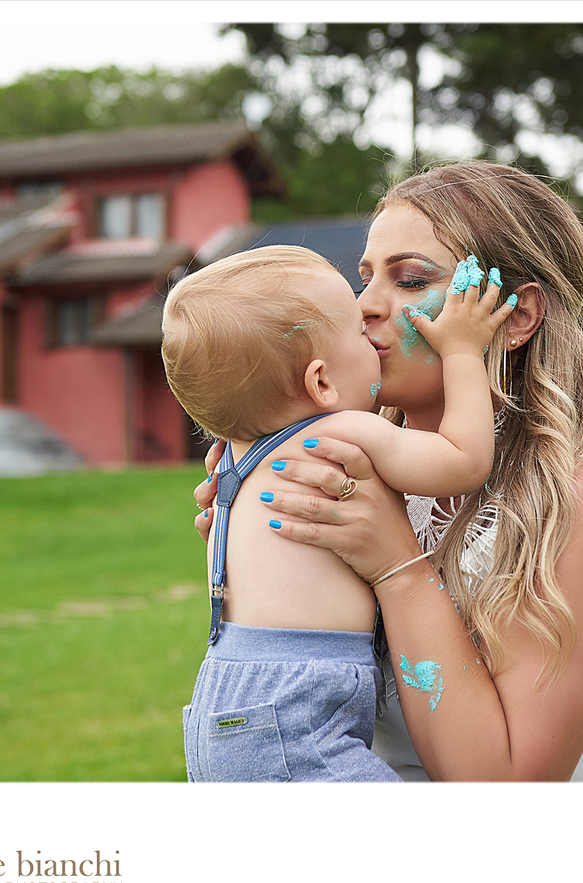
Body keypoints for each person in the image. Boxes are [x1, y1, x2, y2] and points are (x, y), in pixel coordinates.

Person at [196, 162, 583, 781]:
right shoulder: (356, 472)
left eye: (411, 280)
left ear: (516, 317)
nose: (364, 308)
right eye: (363, 281)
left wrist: (397, 568)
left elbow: (505, 789)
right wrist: (268, 555)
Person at [163, 244, 515, 781]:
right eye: (356, 330)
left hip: (223, 702)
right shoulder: (338, 433)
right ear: (321, 383)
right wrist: (465, 352)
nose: (371, 327)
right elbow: (464, 460)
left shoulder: (231, 464)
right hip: (295, 719)